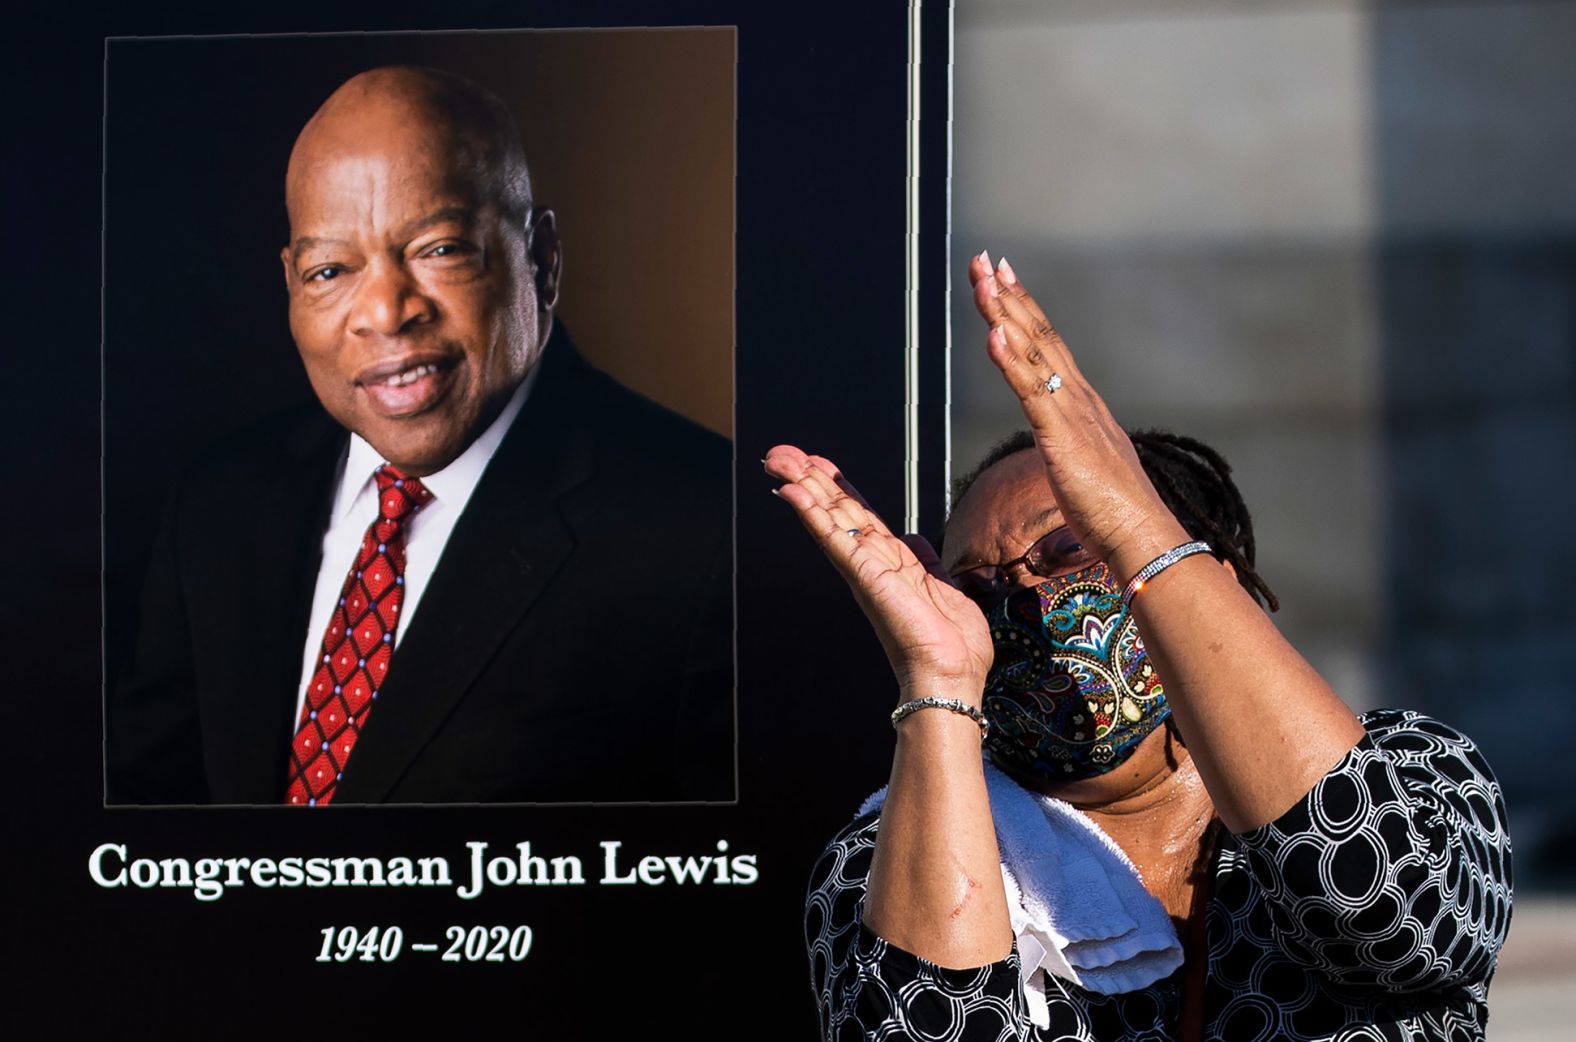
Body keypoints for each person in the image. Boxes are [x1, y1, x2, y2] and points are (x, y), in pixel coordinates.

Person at [768, 253, 1511, 1040]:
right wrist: (940, 680)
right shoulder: (888, 856)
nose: (1022, 600)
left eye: (1065, 552)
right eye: (978, 589)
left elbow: (1383, 907)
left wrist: (1130, 520)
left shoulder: (1422, 771)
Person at [107, 66, 733, 805]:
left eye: (439, 250)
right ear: (289, 284)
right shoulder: (216, 507)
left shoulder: (708, 533)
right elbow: (149, 848)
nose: (385, 311)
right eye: (330, 269)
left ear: (542, 258)